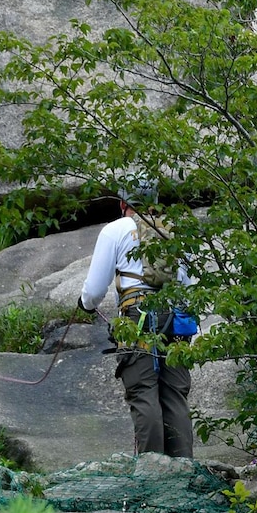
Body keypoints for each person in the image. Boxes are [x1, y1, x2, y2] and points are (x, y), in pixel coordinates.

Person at [78, 176, 196, 458]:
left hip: (137, 317)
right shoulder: (175, 230)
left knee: (144, 392)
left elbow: (94, 291)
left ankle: (151, 476)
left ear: (123, 204)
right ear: (155, 203)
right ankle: (184, 470)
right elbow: (191, 287)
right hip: (176, 318)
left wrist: (86, 305)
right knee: (174, 395)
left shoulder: (115, 230)